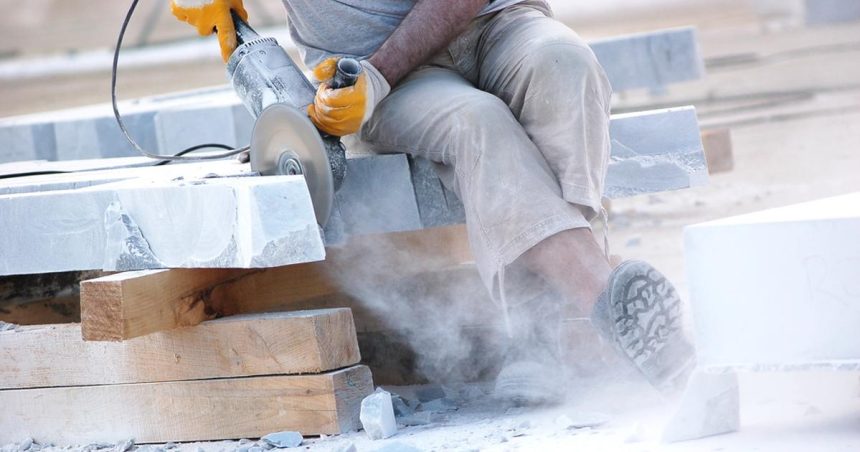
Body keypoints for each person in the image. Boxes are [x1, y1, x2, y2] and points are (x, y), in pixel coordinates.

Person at [169, 0, 695, 405]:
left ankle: (544, 329)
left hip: (493, 24)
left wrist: (378, 75)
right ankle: (603, 307)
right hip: (374, 78)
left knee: (567, 65)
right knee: (477, 123)